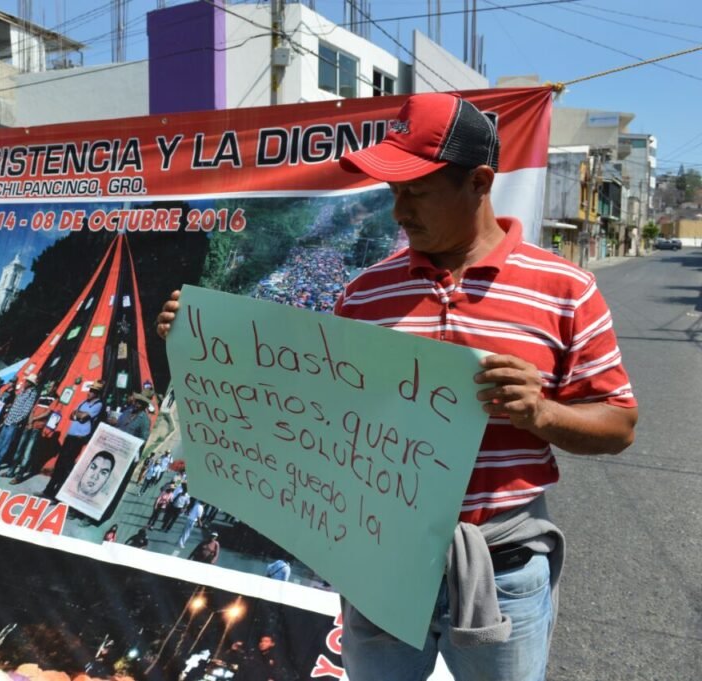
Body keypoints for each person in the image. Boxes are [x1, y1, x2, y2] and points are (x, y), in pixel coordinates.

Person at [156, 92, 638, 681]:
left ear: (479, 182)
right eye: (393, 192)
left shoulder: (565, 289)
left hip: (499, 569)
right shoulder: (364, 295)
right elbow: (313, 414)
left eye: (417, 192)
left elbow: (618, 424)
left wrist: (541, 413)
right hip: (377, 563)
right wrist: (202, 347)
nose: (399, 212)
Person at [41, 381, 104, 500]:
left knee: (66, 465)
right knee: (59, 463)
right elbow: (71, 415)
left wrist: (78, 415)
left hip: (79, 438)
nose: (89, 393)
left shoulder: (98, 405)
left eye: (93, 391)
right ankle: (48, 490)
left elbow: (84, 417)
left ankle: (57, 494)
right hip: (70, 435)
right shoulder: (83, 402)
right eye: (90, 390)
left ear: (97, 393)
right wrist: (78, 415)